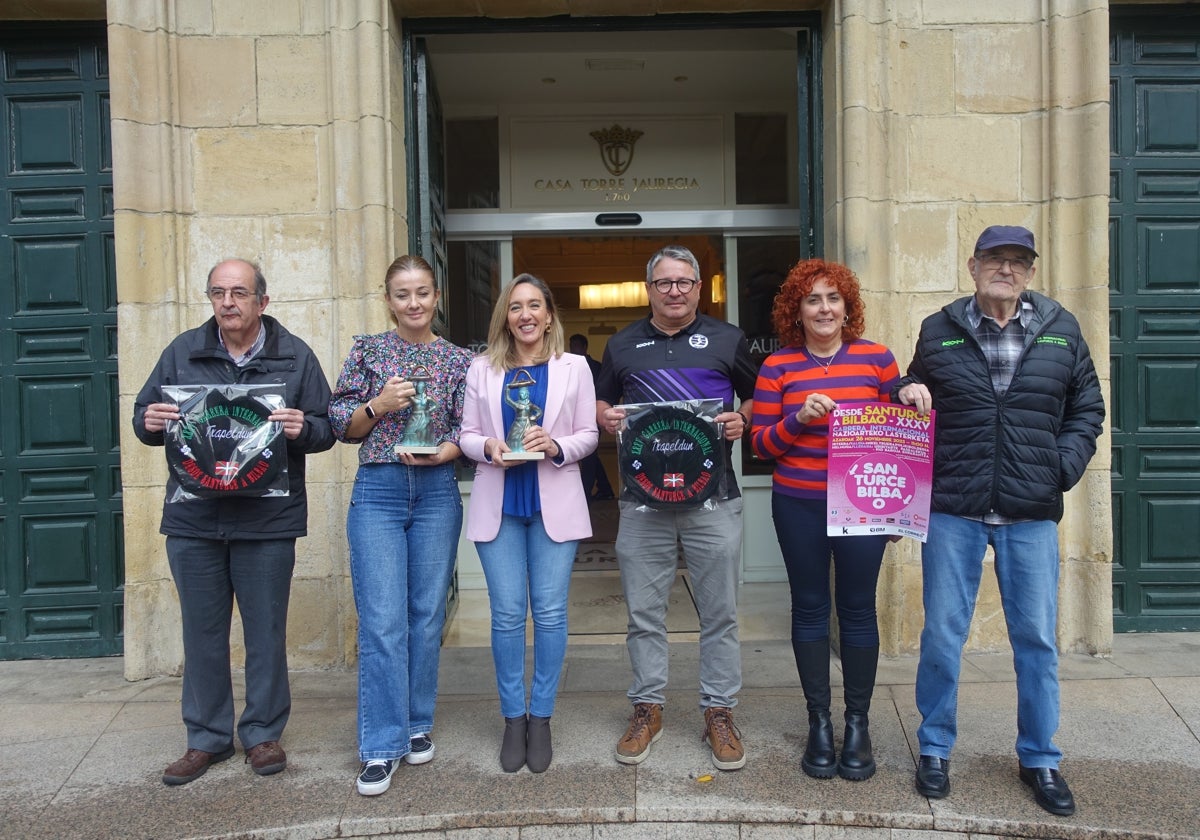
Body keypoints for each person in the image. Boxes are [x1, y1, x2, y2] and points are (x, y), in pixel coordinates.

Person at [895, 225, 1104, 816]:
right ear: (973, 265)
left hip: (1031, 512)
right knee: (942, 635)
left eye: (1018, 261)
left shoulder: (1061, 330)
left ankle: (1040, 757)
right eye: (995, 259)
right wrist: (907, 386)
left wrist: (1059, 467)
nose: (1005, 269)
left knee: (1036, 641)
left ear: (1031, 272)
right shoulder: (940, 329)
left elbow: (1087, 406)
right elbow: (913, 386)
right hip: (955, 507)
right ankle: (934, 749)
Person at [133, 258, 335, 786]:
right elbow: (144, 418)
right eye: (219, 292)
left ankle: (263, 733)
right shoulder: (182, 351)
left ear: (262, 302)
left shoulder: (294, 356)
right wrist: (149, 421)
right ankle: (206, 739)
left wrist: (301, 426)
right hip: (194, 517)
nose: (228, 302)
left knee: (266, 631)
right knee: (201, 632)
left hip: (268, 518)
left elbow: (326, 427)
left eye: (239, 292)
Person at [595, 244, 757, 771]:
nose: (674, 291)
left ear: (698, 286)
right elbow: (599, 401)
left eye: (684, 282)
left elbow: (761, 396)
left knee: (721, 613)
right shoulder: (622, 346)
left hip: (714, 498)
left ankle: (719, 711)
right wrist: (607, 419)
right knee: (644, 614)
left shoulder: (729, 339)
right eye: (664, 283)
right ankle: (647, 708)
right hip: (643, 503)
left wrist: (744, 420)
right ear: (649, 288)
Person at [748, 259, 900, 781]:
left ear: (847, 306)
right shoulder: (779, 367)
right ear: (797, 309)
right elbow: (761, 445)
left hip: (863, 506)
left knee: (858, 611)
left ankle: (857, 724)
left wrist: (913, 392)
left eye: (833, 298)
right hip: (800, 503)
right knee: (810, 609)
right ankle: (819, 721)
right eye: (812, 299)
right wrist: (799, 418)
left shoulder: (878, 360)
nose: (824, 308)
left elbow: (900, 437)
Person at [328, 255, 474, 797]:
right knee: (382, 619)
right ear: (388, 301)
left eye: (422, 292)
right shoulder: (369, 351)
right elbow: (341, 423)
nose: (413, 303)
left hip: (437, 491)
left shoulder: (460, 360)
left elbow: (469, 427)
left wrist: (447, 451)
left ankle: (415, 723)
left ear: (436, 297)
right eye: (402, 294)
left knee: (424, 615)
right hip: (381, 491)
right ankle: (380, 747)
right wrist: (377, 403)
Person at [460, 274, 599, 773]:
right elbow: (468, 434)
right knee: (505, 616)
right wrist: (488, 448)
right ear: (506, 316)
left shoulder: (575, 367)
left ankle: (541, 718)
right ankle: (512, 718)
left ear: (548, 314)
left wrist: (557, 446)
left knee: (551, 614)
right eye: (516, 306)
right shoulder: (482, 368)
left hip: (553, 506)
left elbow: (588, 434)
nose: (525, 315)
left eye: (534, 305)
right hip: (499, 504)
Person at [569, 333, 616, 501]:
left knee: (589, 456)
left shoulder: (596, 367)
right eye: (571, 345)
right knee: (591, 456)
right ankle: (605, 488)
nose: (572, 349)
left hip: (592, 415)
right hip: (573, 416)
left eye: (575, 346)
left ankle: (586, 493)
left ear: (583, 347)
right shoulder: (568, 366)